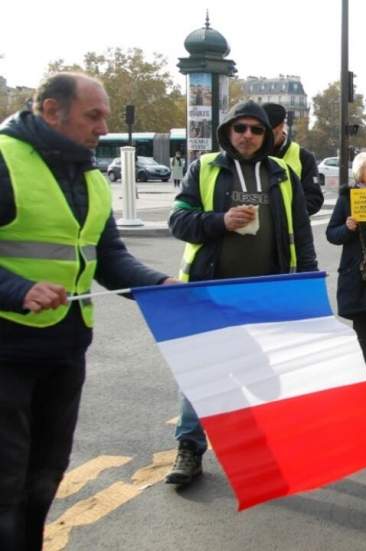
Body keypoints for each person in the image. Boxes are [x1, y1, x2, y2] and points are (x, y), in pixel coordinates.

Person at [0, 73, 174, 550]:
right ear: (52, 111)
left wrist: (160, 285)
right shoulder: (4, 159)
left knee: (45, 478)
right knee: (6, 487)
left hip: (65, 352)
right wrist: (17, 289)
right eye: (93, 115)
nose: (103, 127)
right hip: (8, 353)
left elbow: (109, 257)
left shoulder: (92, 176)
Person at [165, 100, 317, 487]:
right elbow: (178, 220)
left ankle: (258, 450)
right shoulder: (204, 169)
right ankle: (189, 447)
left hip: (266, 293)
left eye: (256, 129)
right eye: (240, 128)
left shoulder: (282, 173)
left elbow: (301, 230)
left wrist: (307, 286)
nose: (247, 135)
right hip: (209, 290)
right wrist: (220, 221)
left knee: (264, 374)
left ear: (267, 135)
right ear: (227, 131)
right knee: (200, 372)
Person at [326, 151, 366, 382]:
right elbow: (332, 234)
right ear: (360, 172)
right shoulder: (347, 198)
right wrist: (347, 228)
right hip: (357, 272)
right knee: (361, 328)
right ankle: (362, 370)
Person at [262, 102, 324, 217]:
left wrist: (280, 211)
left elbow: (314, 200)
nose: (266, 137)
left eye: (270, 132)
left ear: (281, 126)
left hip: (291, 231)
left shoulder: (303, 157)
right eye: (261, 131)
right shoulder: (251, 153)